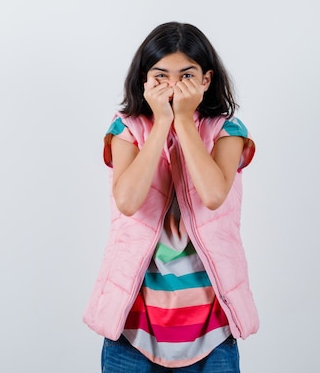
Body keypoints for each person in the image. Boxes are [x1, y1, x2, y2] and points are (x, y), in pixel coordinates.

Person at [83, 22, 259, 373]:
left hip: (211, 327)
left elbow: (212, 194)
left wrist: (183, 121)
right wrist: (161, 122)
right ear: (144, 80)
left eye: (187, 75)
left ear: (206, 80)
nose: (174, 85)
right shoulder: (126, 128)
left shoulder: (227, 130)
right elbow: (128, 201)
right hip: (133, 327)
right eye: (161, 75)